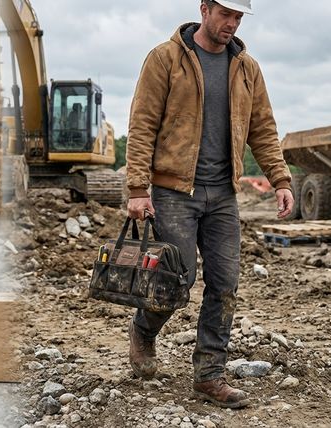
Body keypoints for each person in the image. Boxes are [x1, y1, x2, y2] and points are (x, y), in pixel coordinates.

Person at [125, 0, 294, 408]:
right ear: (204, 9)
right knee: (176, 281)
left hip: (223, 195)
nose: (231, 24)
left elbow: (263, 128)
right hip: (172, 192)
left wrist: (280, 179)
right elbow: (142, 122)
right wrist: (136, 188)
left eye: (237, 18)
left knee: (225, 283)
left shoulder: (247, 68)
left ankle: (209, 375)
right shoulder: (165, 59)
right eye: (225, 14)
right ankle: (144, 330)